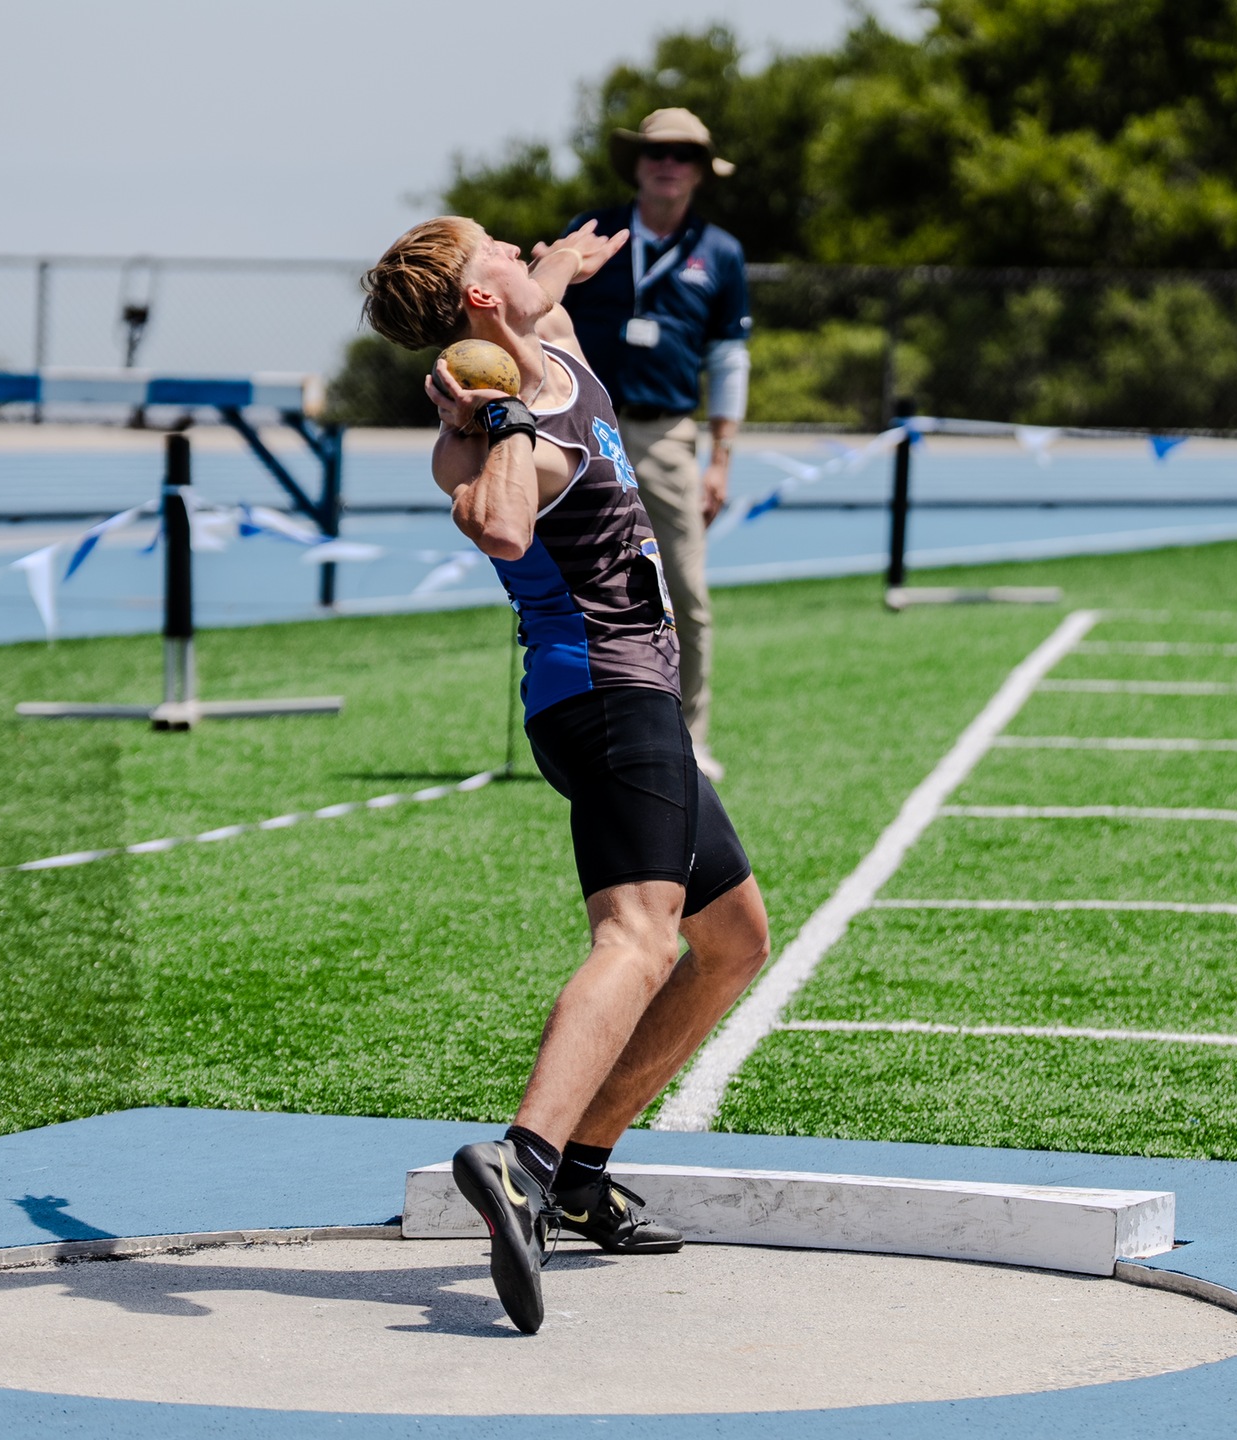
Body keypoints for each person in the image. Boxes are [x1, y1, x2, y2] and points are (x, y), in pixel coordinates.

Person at [358, 215, 773, 1335]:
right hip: (603, 700)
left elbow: (534, 305)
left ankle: (581, 1172)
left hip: (629, 703)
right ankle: (526, 1161)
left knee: (735, 940)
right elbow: (499, 528)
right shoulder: (483, 440)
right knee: (638, 940)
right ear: (478, 298)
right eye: (497, 246)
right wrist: (494, 416)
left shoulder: (556, 348)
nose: (519, 248)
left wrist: (560, 269)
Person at [559, 108, 752, 781]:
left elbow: (728, 358)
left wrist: (720, 459)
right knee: (571, 587)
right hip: (583, 428)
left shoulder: (720, 251)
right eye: (656, 152)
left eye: (683, 155)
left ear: (699, 171)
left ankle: (688, 738)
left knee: (684, 591)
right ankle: (577, 735)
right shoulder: (591, 233)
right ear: (637, 163)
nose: (668, 164)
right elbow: (544, 320)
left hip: (668, 433)